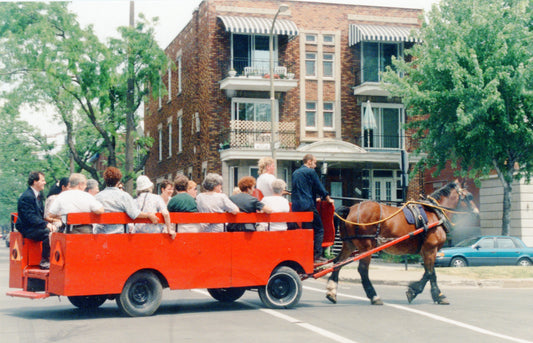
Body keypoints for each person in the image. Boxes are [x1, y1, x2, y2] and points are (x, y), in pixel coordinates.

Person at [291, 154, 334, 263]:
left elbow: (301, 190)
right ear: (309, 161)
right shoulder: (310, 172)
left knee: (307, 230)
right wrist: (328, 198)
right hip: (307, 206)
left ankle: (306, 253)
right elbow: (319, 186)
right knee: (319, 229)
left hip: (297, 207)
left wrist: (315, 198)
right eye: (314, 162)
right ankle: (317, 256)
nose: (315, 165)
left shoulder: (295, 173)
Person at [94, 167, 159, 234]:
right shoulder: (124, 196)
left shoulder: (97, 197)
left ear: (105, 180)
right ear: (118, 181)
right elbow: (134, 214)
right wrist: (148, 215)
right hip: (119, 235)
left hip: (101, 235)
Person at [16, 171, 56, 269]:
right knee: (48, 233)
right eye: (42, 180)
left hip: (34, 226)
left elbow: (39, 215)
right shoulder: (27, 197)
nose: (45, 182)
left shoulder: (38, 195)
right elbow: (30, 217)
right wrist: (45, 224)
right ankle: (45, 260)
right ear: (35, 182)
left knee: (56, 231)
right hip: (28, 228)